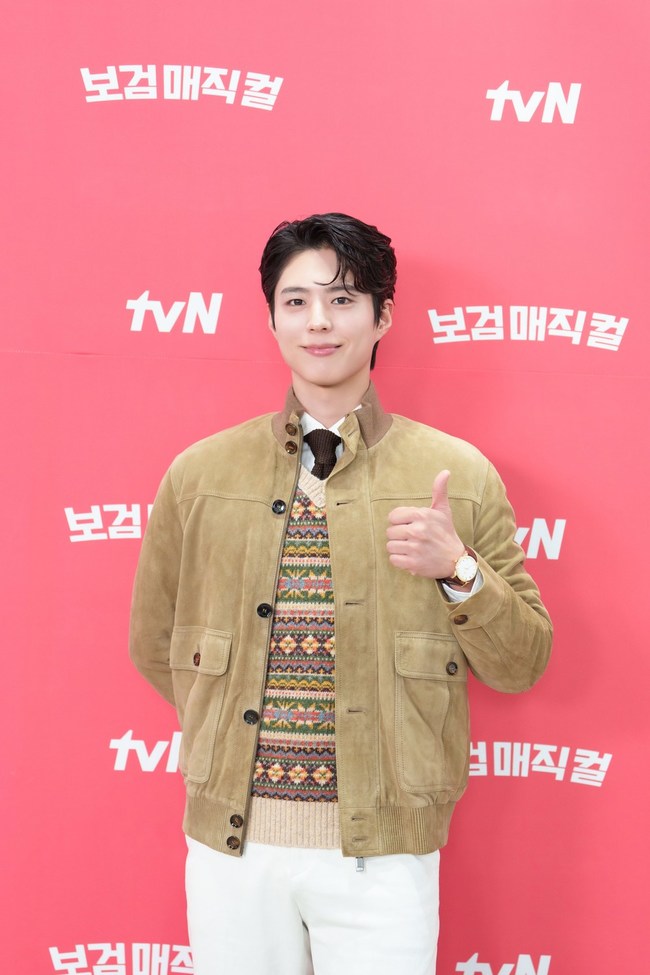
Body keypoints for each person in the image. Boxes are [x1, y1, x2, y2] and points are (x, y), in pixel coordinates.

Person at [129, 212, 552, 975]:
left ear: (382, 316)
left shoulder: (456, 473)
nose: (318, 321)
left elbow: (521, 662)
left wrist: (457, 567)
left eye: (343, 299)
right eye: (296, 301)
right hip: (233, 851)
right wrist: (226, 730)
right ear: (271, 319)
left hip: (383, 854)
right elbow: (154, 641)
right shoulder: (200, 474)